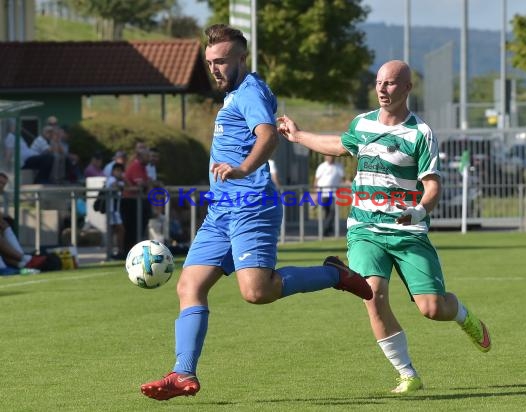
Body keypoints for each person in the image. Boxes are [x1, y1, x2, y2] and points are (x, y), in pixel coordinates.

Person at [140, 24, 373, 401]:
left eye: (222, 61)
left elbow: (266, 135)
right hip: (221, 212)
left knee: (257, 292)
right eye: (210, 61)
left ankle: (334, 274)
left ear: (241, 58)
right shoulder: (234, 94)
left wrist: (244, 168)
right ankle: (182, 373)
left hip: (251, 207)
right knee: (189, 286)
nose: (214, 68)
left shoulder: (249, 93)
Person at [278, 60, 491, 394]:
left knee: (432, 309)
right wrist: (299, 135)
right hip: (364, 228)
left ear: (407, 88)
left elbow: (432, 186)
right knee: (371, 294)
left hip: (408, 233)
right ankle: (408, 374)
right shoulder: (362, 124)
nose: (382, 89)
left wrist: (419, 211)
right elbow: (339, 145)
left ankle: (464, 316)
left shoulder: (421, 134)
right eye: (379, 82)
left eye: (391, 83)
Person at [314, 155, 345, 236]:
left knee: (332, 211)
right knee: (327, 212)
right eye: (328, 156)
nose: (330, 158)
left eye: (331, 156)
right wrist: (316, 194)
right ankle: (328, 229)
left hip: (334, 194)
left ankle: (324, 230)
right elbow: (316, 181)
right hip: (323, 193)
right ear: (325, 157)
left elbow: (342, 180)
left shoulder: (338, 167)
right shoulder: (321, 167)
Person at [105, 163, 126, 259]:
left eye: (121, 171)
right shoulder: (111, 180)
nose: (119, 173)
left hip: (116, 210)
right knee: (119, 230)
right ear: (113, 171)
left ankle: (116, 252)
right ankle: (117, 252)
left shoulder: (120, 181)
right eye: (117, 171)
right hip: (112, 210)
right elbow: (115, 185)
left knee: (115, 231)